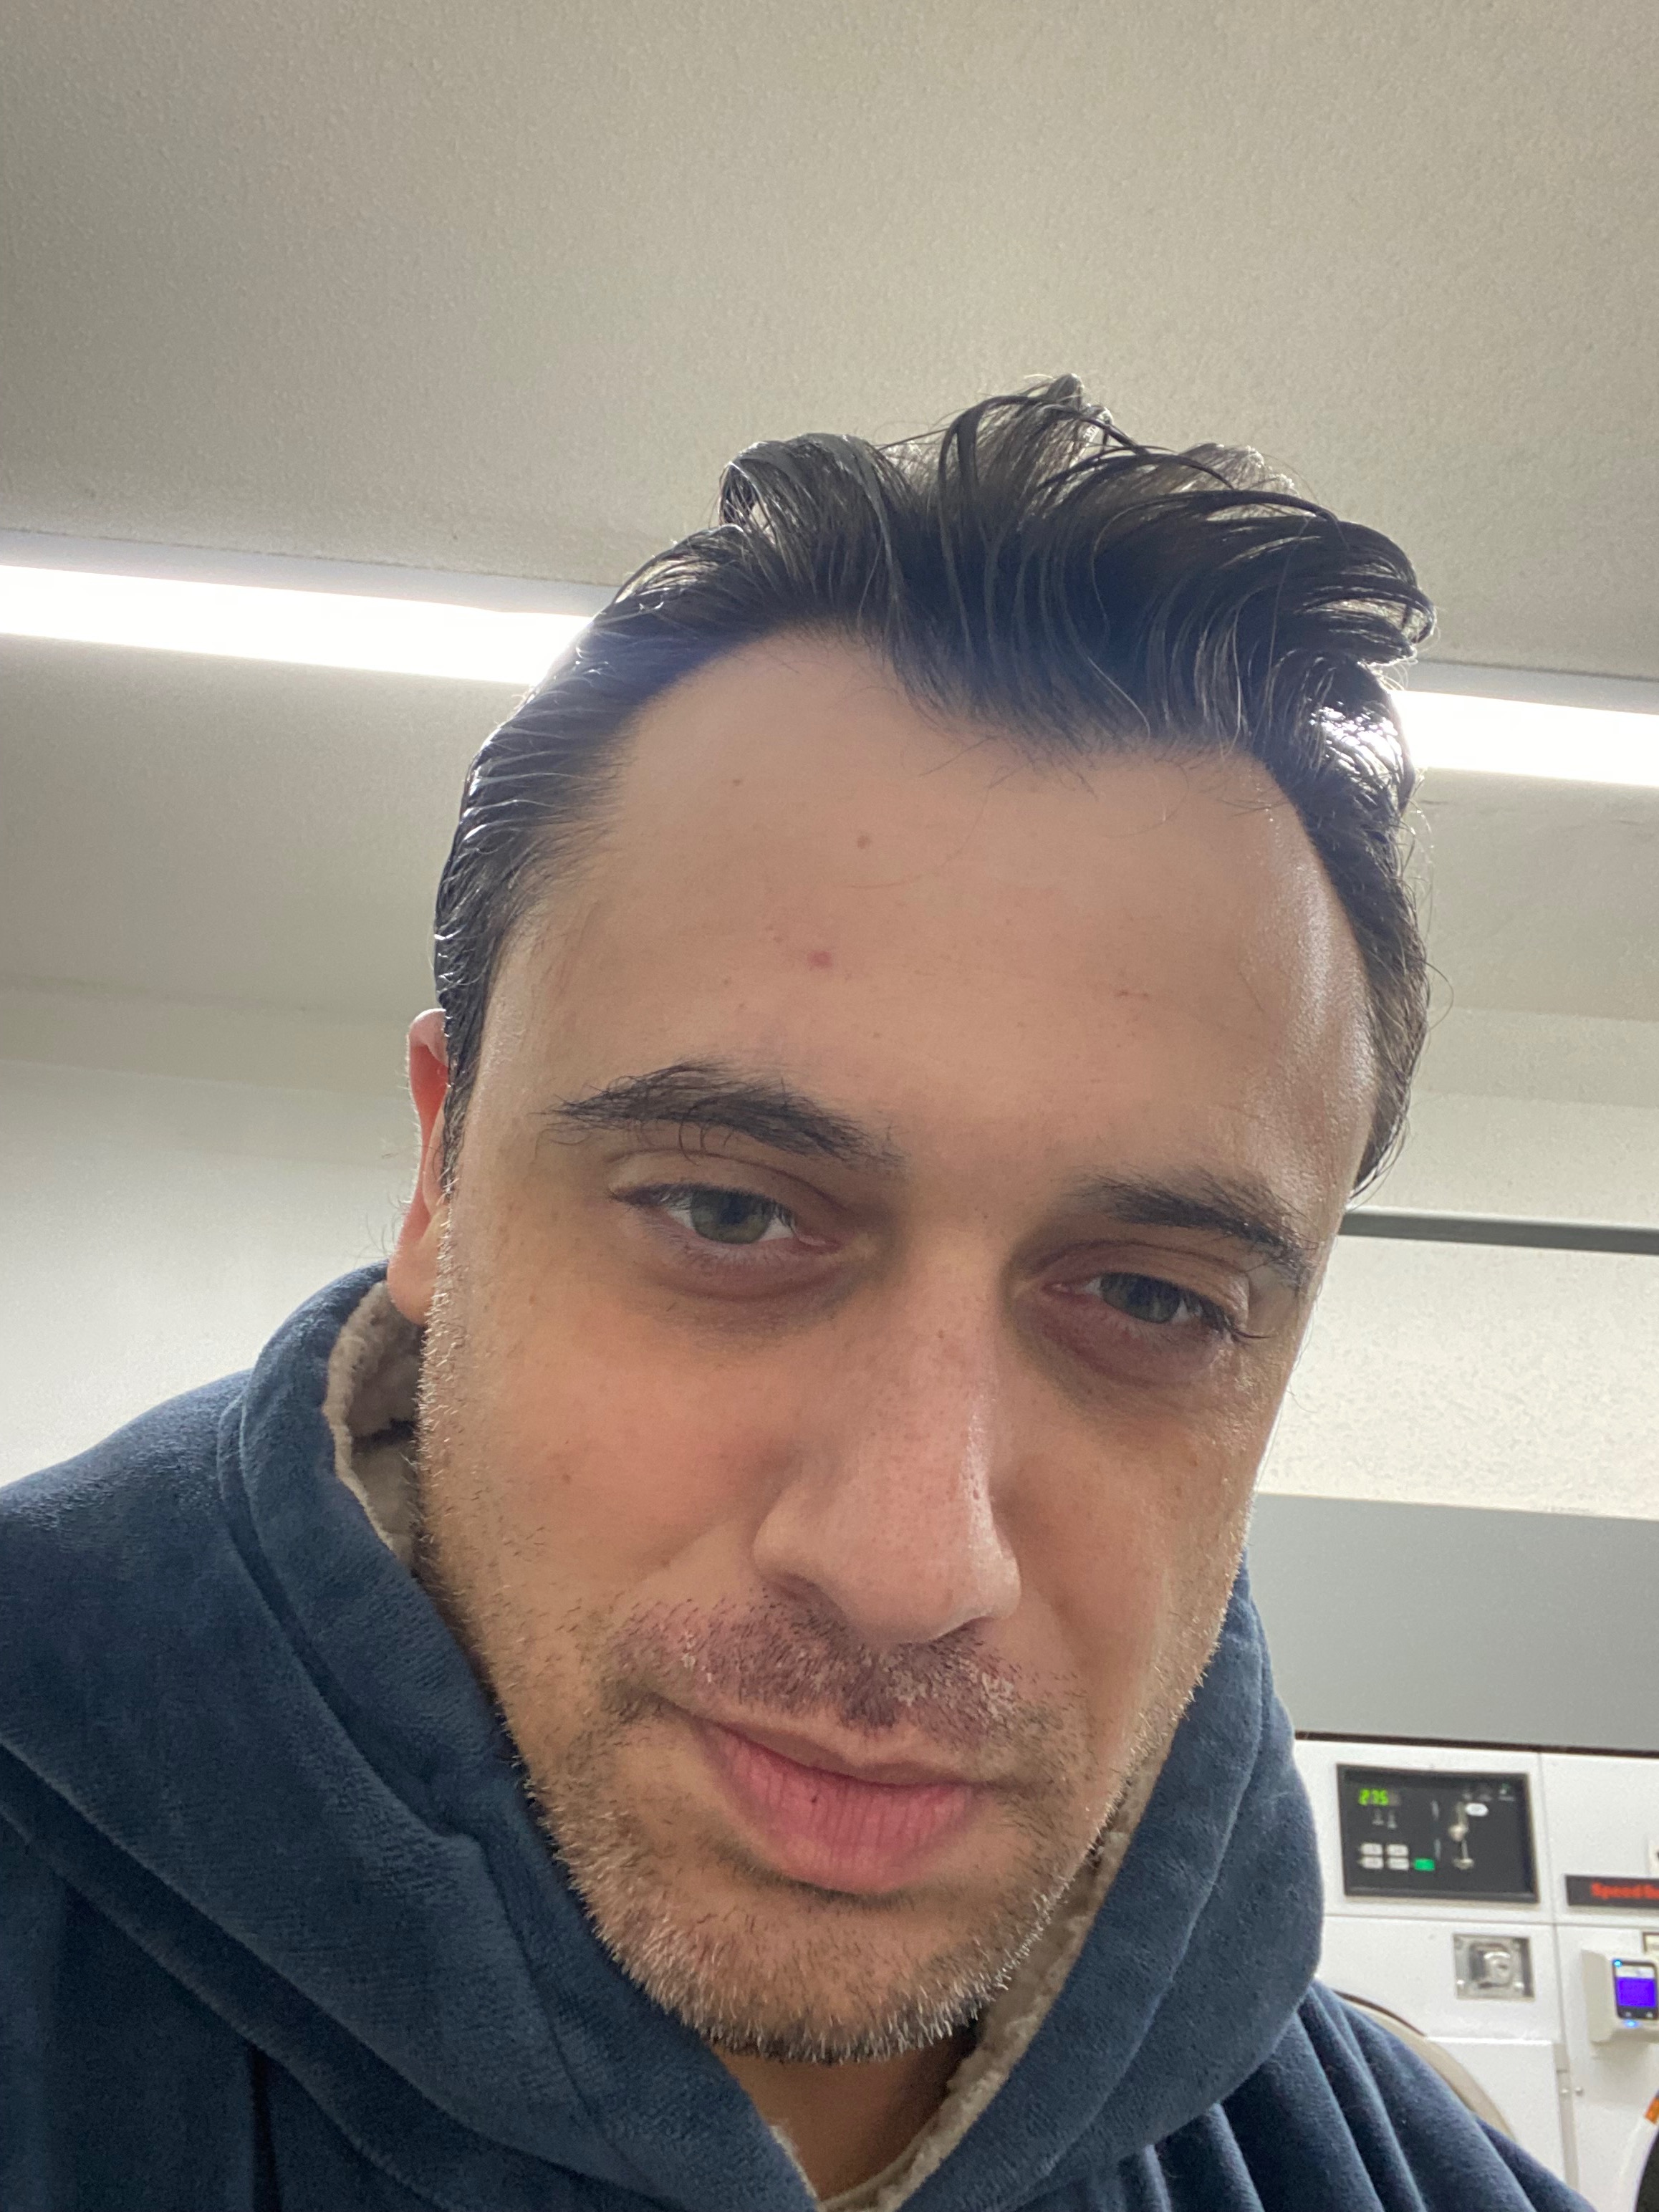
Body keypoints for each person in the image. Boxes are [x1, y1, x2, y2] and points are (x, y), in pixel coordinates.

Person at [0, 381, 1585, 2211]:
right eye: (730, 1210)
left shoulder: (1387, 2165)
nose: (910, 1564)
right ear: (442, 1172)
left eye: (1151, 1299)